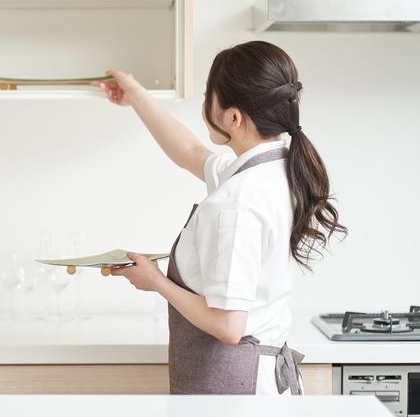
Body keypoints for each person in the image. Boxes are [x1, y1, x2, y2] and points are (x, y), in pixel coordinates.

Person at [93, 41, 347, 395]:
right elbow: (189, 152)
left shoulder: (237, 200)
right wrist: (134, 93)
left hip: (236, 388)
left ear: (233, 117)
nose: (202, 107)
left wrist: (156, 282)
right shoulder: (276, 168)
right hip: (259, 377)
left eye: (206, 98)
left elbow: (229, 326)